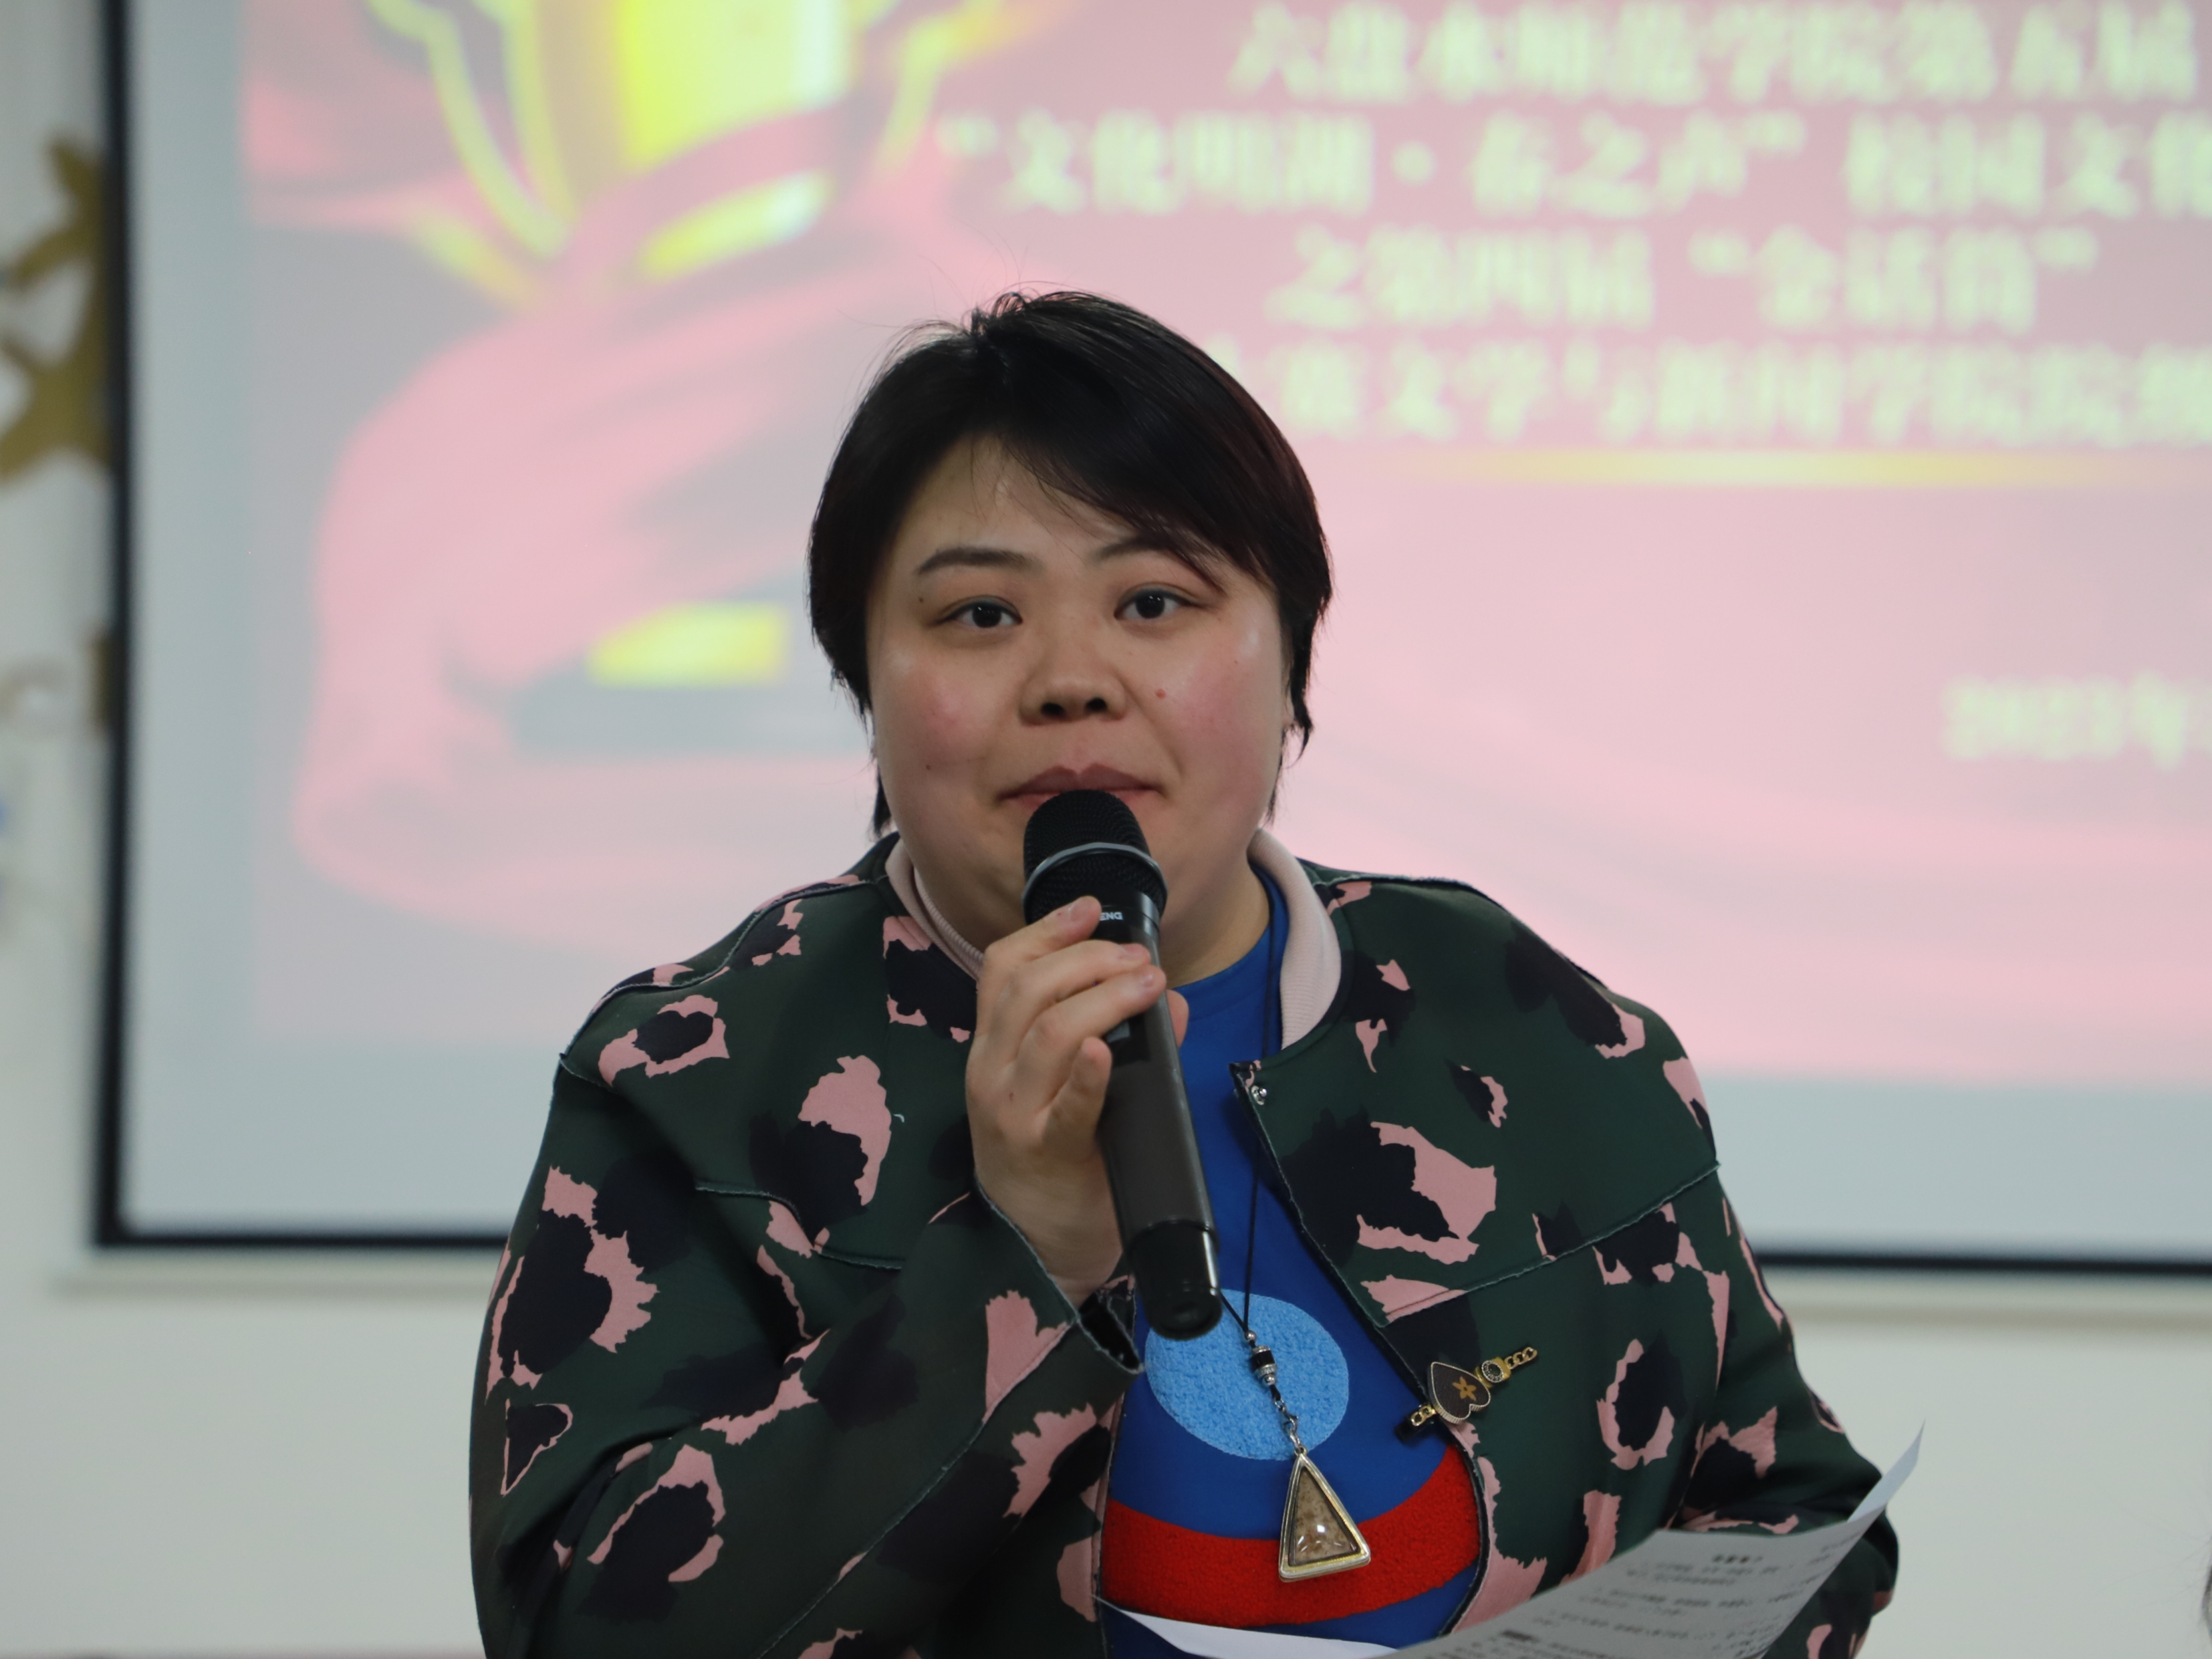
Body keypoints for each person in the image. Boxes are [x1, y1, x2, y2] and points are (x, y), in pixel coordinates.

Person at [469, 291, 1898, 1658]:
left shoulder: (1532, 1024)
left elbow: (1792, 1512)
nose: (1072, 677)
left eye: (1154, 601)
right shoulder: (694, 1076)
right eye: (979, 615)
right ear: (865, 677)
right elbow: (583, 1629)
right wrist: (1027, 1257)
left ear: (1291, 665)